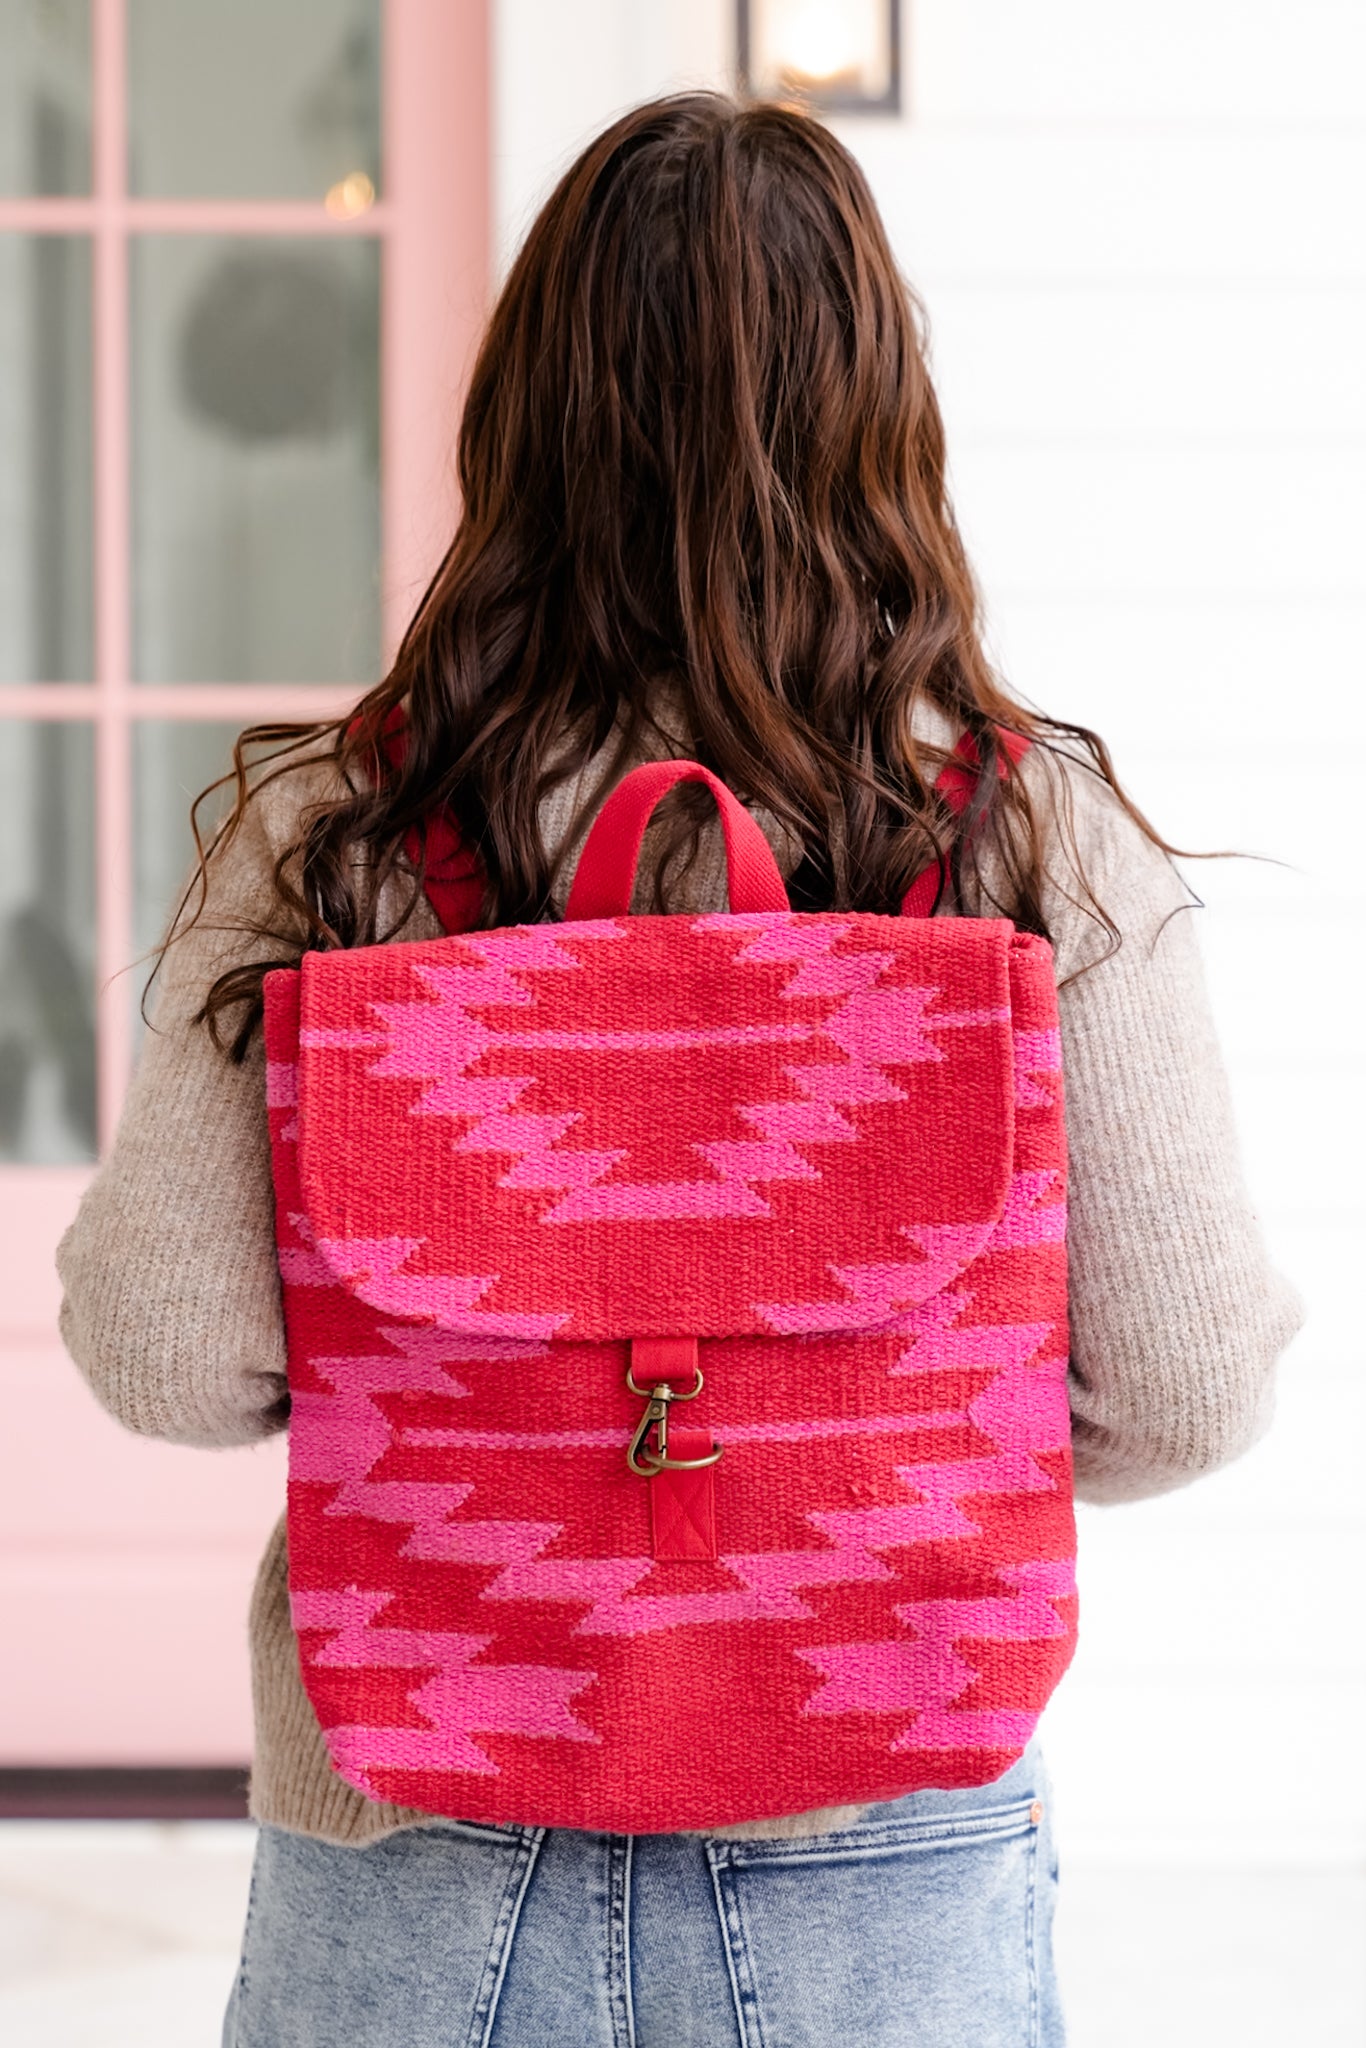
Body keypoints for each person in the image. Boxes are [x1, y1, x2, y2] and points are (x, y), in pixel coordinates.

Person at [56, 93, 1301, 2048]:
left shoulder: (335, 835)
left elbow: (161, 1355)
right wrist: (863, 1412)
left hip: (414, 1821)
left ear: (520, 417)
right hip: (879, 1821)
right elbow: (1186, 1384)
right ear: (879, 418)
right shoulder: (1023, 840)